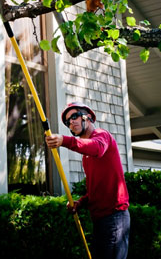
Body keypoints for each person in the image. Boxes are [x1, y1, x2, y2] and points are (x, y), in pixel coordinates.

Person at [45, 101, 130, 259]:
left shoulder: (102, 136)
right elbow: (96, 189)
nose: (71, 122)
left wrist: (64, 140)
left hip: (115, 217)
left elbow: (97, 147)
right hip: (99, 219)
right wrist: (80, 202)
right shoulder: (86, 157)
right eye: (67, 121)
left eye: (75, 116)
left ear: (88, 117)